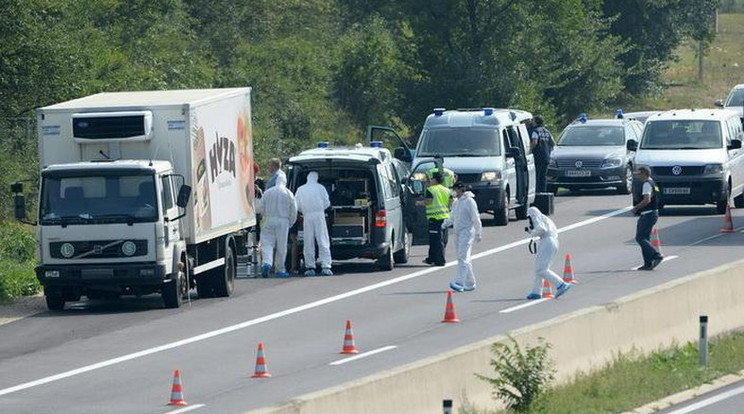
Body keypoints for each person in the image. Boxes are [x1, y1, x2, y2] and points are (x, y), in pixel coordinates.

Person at [442, 182, 482, 292]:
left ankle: (459, 282)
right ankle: (470, 282)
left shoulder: (469, 201)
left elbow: (475, 217)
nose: (453, 192)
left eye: (455, 189)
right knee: (463, 257)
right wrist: (446, 223)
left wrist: (479, 232)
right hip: (457, 232)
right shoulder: (457, 203)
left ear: (460, 189)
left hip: (467, 232)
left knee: (462, 256)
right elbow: (453, 216)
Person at [525, 206, 572, 299]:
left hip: (547, 241)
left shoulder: (535, 215)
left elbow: (542, 229)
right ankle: (536, 291)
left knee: (541, 269)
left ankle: (561, 284)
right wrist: (531, 231)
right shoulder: (546, 219)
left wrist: (533, 233)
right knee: (540, 267)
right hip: (551, 241)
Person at [256, 175, 297, 278]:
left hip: (269, 219)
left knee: (267, 243)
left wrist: (265, 216)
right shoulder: (288, 193)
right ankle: (280, 269)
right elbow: (294, 210)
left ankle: (267, 263)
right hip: (283, 221)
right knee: (281, 246)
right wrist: (290, 222)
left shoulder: (268, 192)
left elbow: (261, 207)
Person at [294, 171, 333, 276]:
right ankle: (326, 266)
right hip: (319, 215)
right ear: (316, 178)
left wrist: (304, 211)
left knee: (308, 242)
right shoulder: (321, 188)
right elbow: (327, 203)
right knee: (323, 240)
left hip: (307, 216)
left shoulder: (301, 189)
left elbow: (296, 205)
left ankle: (310, 266)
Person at [631, 166, 663, 270]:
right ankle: (648, 263)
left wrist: (636, 208)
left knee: (640, 238)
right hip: (653, 213)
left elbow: (647, 200)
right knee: (645, 238)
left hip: (648, 214)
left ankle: (655, 255)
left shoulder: (646, 184)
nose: (638, 176)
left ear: (644, 173)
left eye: (639, 174)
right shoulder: (653, 182)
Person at [419, 172, 451, 266]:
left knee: (436, 240)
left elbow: (428, 201)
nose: (430, 180)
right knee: (438, 239)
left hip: (435, 218)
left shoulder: (431, 189)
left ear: (435, 180)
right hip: (445, 217)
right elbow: (451, 202)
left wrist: (419, 203)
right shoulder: (446, 190)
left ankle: (440, 260)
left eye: (432, 179)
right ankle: (431, 258)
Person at [530, 115, 555, 193]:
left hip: (538, 157)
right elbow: (553, 143)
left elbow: (534, 142)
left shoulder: (535, 131)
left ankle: (537, 194)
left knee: (537, 176)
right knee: (543, 177)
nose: (532, 122)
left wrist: (528, 149)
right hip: (546, 157)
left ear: (536, 122)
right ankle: (543, 193)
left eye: (533, 121)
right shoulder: (547, 131)